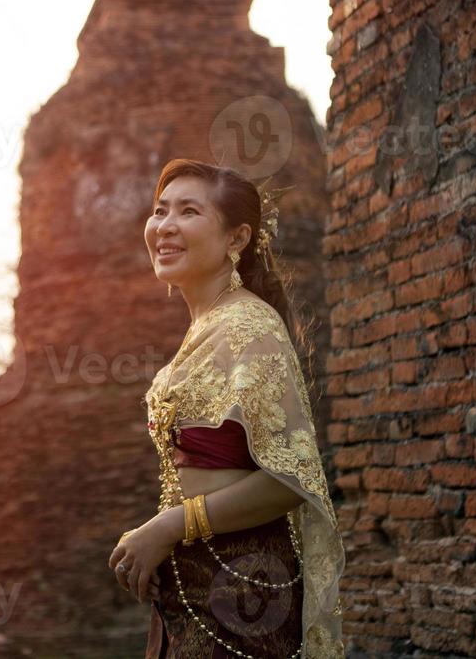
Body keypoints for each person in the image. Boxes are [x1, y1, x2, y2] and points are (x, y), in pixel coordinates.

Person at [108, 159, 346, 658]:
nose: (164, 226)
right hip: (198, 586)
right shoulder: (209, 325)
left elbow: (290, 479)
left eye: (188, 211)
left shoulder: (249, 328)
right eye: (160, 210)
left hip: (244, 590)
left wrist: (171, 526)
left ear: (237, 239)